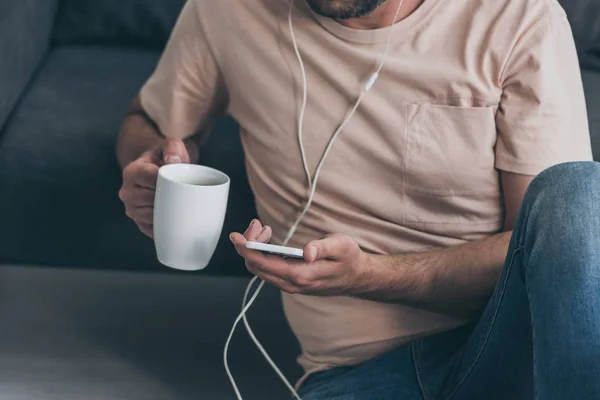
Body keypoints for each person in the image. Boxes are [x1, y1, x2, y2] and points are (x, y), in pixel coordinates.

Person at [116, 0, 599, 398]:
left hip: (515, 351)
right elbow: (150, 121)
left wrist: (370, 274)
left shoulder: (518, 18)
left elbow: (552, 245)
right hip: (356, 373)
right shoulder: (227, 11)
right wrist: (149, 166)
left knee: (580, 192)